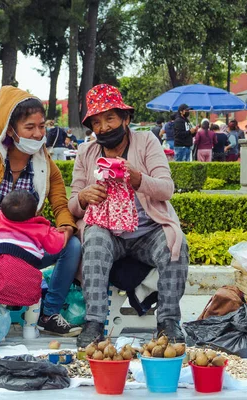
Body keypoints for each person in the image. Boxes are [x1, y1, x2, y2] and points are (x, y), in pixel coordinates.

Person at [0, 86, 82, 337]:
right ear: (11, 129)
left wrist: (65, 228)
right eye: (29, 127)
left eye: (41, 126)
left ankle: (49, 314)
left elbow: (60, 205)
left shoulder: (46, 165)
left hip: (26, 245)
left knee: (72, 246)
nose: (38, 133)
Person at [69, 84, 189, 347]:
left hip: (148, 232)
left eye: (110, 118)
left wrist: (138, 179)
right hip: (108, 232)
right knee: (96, 240)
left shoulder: (146, 142)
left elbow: (166, 188)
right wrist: (83, 197)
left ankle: (168, 322)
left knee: (174, 244)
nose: (103, 128)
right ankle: (94, 323)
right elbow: (73, 204)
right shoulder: (85, 152)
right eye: (96, 122)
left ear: (126, 119)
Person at [0, 189, 67, 339]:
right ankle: (29, 331)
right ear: (34, 213)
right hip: (28, 272)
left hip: (2, 269)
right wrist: (59, 233)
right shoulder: (40, 228)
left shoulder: (0, 219)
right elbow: (55, 246)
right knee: (34, 301)